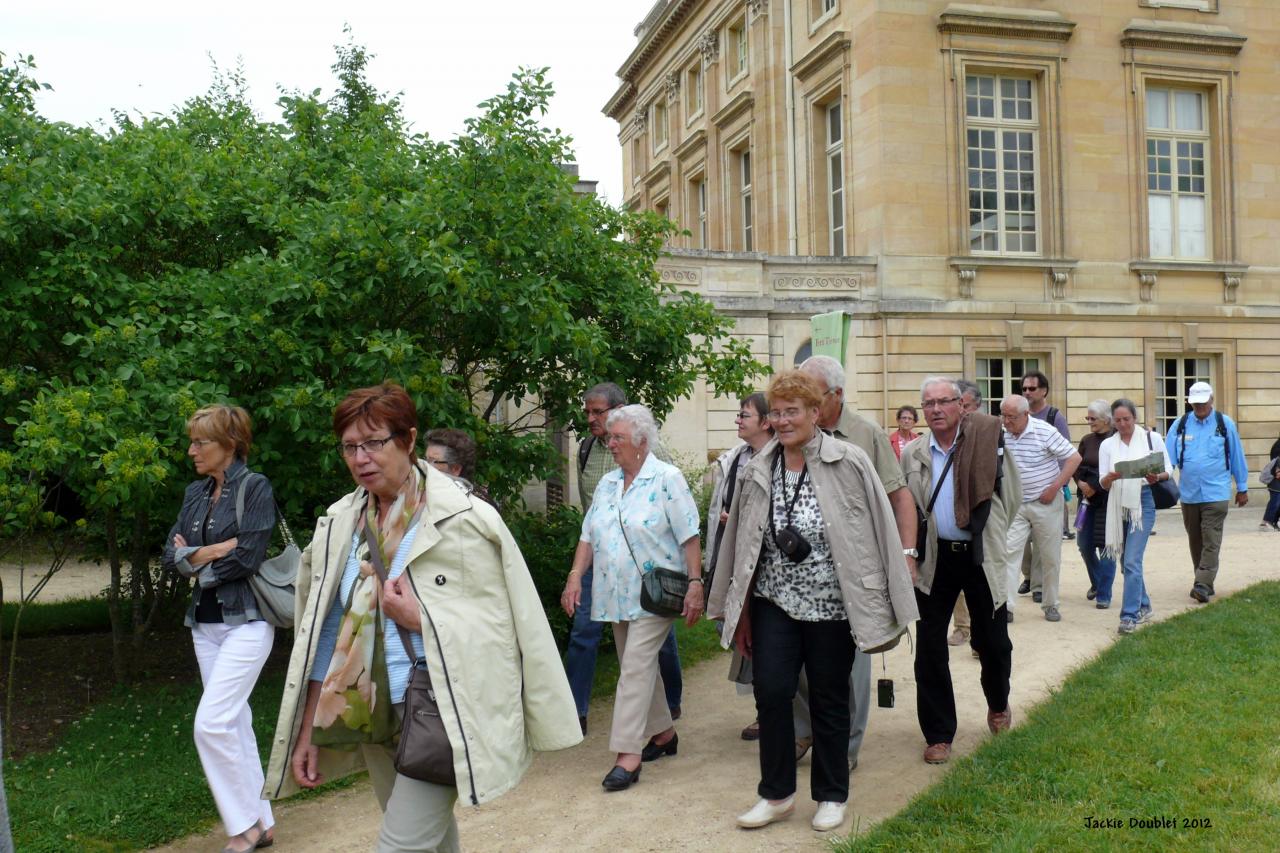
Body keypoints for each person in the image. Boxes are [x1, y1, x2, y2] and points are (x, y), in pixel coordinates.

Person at [265, 383, 580, 852]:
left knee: (400, 845)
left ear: (408, 441)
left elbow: (503, 628)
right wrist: (309, 725)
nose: (361, 458)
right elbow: (324, 629)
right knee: (431, 842)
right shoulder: (341, 521)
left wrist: (420, 619)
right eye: (350, 447)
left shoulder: (465, 519)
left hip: (441, 704)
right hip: (368, 706)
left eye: (374, 443)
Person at [708, 370, 917, 832]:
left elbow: (880, 528)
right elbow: (742, 544)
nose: (783, 421)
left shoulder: (850, 460)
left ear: (815, 413)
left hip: (832, 604)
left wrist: (893, 587)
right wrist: (738, 611)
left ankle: (830, 793)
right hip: (773, 602)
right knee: (772, 693)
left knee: (828, 696)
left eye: (792, 412)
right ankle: (777, 794)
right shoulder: (759, 466)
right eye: (776, 413)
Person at [560, 404, 703, 792]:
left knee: (635, 667)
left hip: (656, 593)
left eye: (617, 437)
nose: (610, 443)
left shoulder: (666, 478)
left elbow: (689, 533)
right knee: (636, 665)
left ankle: (627, 755)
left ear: (641, 441)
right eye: (609, 436)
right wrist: (575, 576)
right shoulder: (608, 483)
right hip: (615, 591)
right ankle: (663, 734)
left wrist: (696, 582)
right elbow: (588, 535)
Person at [160, 405, 279, 853]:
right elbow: (167, 558)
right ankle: (263, 822)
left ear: (230, 445)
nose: (192, 450)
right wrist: (210, 552)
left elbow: (247, 557)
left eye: (200, 442)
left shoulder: (256, 487)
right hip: (203, 625)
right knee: (235, 723)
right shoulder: (194, 492)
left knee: (210, 724)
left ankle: (243, 826)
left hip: (247, 623)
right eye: (192, 441)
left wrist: (194, 557)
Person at [796, 355, 916, 772]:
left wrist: (905, 555)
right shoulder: (795, 432)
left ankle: (845, 748)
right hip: (803, 571)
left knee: (853, 663)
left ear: (837, 395)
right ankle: (805, 730)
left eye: (812, 395)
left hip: (856, 566)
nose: (804, 403)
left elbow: (899, 496)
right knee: (796, 661)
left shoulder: (865, 434)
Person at [900, 377, 1021, 765]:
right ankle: (938, 733)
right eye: (928, 404)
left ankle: (998, 705)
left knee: (993, 642)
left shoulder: (989, 444)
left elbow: (1012, 498)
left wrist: (991, 532)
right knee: (930, 647)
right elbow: (909, 507)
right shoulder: (914, 453)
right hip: (935, 559)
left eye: (944, 402)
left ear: (960, 406)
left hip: (980, 554)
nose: (935, 409)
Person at [567, 383, 683, 733]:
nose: (590, 418)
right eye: (587, 411)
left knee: (656, 645)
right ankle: (576, 712)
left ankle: (666, 709)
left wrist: (690, 578)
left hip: (648, 566)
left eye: (597, 412)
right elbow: (590, 517)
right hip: (602, 563)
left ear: (617, 411)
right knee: (583, 633)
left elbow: (676, 519)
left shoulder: (658, 462)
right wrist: (577, 570)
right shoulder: (585, 450)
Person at [706, 392, 774, 741]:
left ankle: (776, 715)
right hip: (737, 564)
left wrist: (745, 521)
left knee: (769, 641)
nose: (738, 420)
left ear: (765, 422)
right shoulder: (735, 459)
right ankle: (767, 712)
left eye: (745, 415)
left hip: (769, 568)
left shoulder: (780, 459)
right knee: (744, 636)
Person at [1000, 395, 1081, 622]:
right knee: (1008, 553)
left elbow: (1074, 458)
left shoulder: (1044, 431)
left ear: (1026, 414)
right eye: (1004, 416)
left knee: (1050, 556)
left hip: (1045, 503)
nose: (1006, 421)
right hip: (1015, 505)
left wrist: (1056, 487)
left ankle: (1050, 604)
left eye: (1011, 417)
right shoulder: (1002, 433)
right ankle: (1006, 606)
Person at [1167, 382, 1250, 603]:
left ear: (1211, 399)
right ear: (1190, 402)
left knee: (1211, 538)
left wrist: (1242, 487)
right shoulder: (1180, 424)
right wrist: (1159, 479)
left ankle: (1202, 583)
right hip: (1190, 493)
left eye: (1204, 401)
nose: (1200, 406)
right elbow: (1168, 460)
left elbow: (1237, 457)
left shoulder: (1225, 424)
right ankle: (1204, 581)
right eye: (1196, 402)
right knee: (1196, 539)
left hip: (1217, 493)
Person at [1099, 399, 1173, 634]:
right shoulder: (1108, 445)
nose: (1122, 424)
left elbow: (1168, 470)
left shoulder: (1152, 438)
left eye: (1126, 419)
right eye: (1118, 420)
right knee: (1125, 561)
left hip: (1143, 501)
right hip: (1117, 502)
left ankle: (1129, 615)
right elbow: (1102, 481)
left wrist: (1156, 477)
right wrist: (1109, 478)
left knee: (1131, 560)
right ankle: (1144, 604)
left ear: (1135, 418)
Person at [1020, 370, 1075, 548]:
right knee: (1020, 544)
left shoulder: (1054, 417)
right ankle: (1028, 576)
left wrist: (1059, 485)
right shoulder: (1018, 416)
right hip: (1022, 493)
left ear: (1044, 391)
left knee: (1044, 545)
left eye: (1032, 388)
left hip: (1048, 491)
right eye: (1024, 388)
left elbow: (1067, 454)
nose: (1027, 392)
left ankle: (1036, 577)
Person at [947, 380, 983, 649]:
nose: (960, 411)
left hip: (983, 525)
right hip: (954, 524)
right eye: (956, 405)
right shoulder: (943, 437)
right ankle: (962, 627)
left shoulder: (990, 435)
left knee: (984, 584)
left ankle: (981, 636)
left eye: (965, 405)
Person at [1074, 400, 1118, 608]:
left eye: (1094, 419)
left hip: (1108, 500)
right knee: (1084, 544)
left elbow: (1115, 470)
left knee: (1107, 547)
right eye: (1088, 418)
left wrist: (1095, 486)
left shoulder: (1116, 440)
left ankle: (1104, 594)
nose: (1090, 422)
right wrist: (1081, 483)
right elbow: (1076, 464)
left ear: (1107, 419)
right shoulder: (1087, 440)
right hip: (1087, 500)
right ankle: (1099, 583)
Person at [424, 427, 496, 507]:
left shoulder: (476, 508)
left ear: (456, 469)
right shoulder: (424, 498)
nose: (425, 466)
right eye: (425, 460)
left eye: (433, 461)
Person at [1261, 432, 1280, 530]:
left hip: (1276, 481)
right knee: (1275, 502)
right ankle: (1266, 522)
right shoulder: (1278, 446)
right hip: (1276, 481)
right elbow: (1276, 462)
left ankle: (1274, 522)